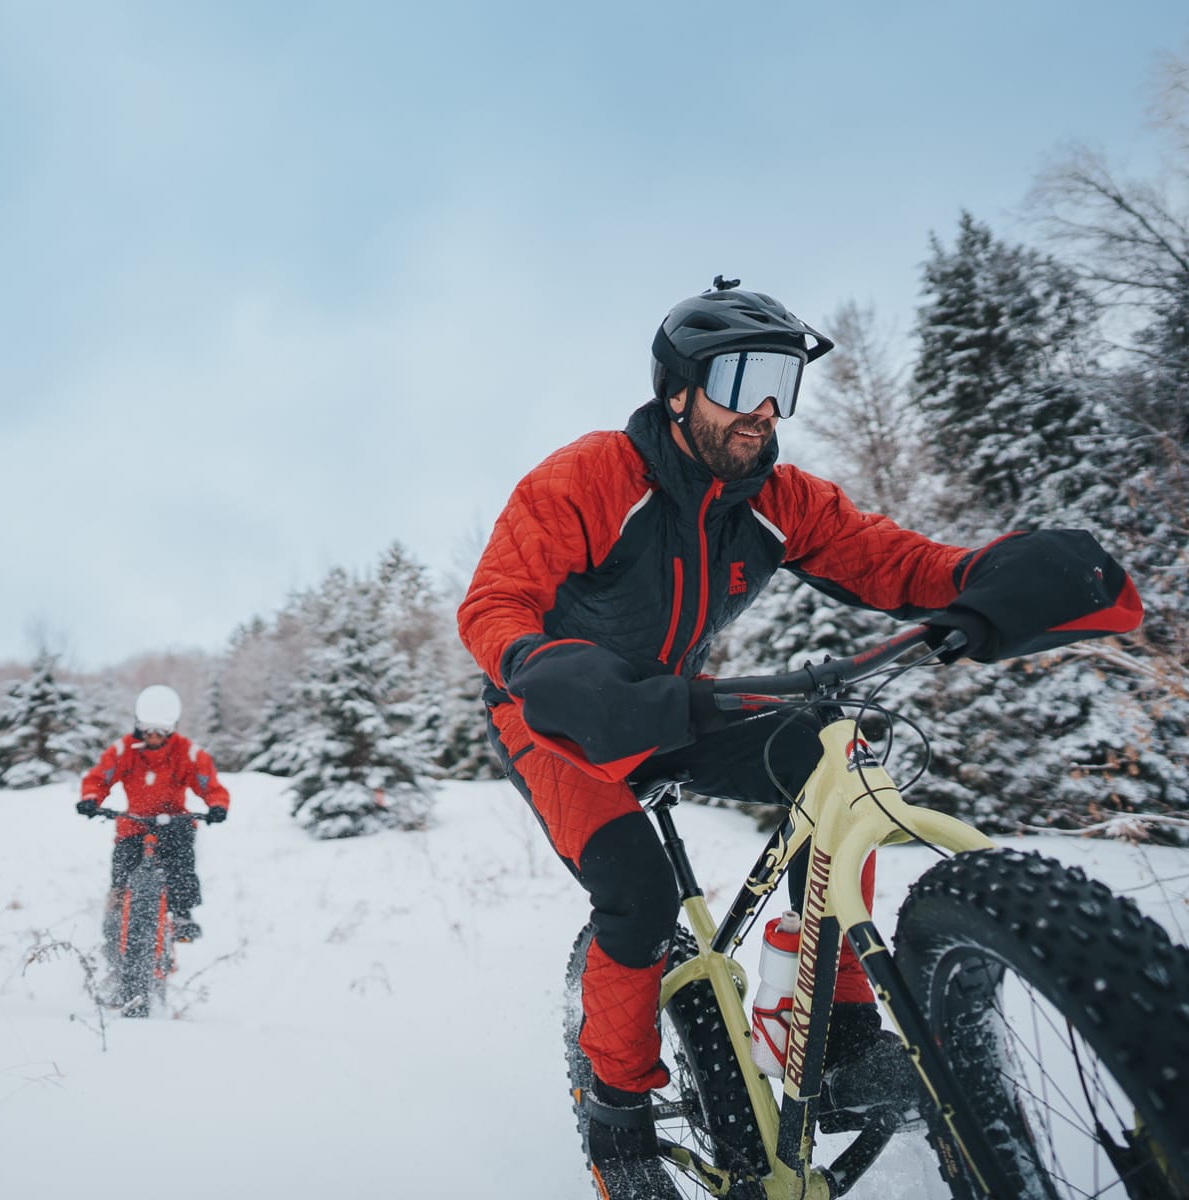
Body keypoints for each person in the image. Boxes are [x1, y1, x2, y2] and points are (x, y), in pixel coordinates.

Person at [457, 277, 1142, 1198]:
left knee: (836, 757)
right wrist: (543, 667)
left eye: (783, 379)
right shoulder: (589, 476)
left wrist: (993, 578)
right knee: (638, 903)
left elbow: (898, 563)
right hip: (560, 713)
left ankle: (850, 1034)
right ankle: (616, 1112)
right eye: (743, 379)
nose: (767, 407)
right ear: (678, 390)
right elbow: (496, 602)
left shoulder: (784, 498)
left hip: (679, 704)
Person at [78, 684, 230, 955]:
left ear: (171, 729)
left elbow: (209, 785)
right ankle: (115, 922)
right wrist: (91, 799)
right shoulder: (124, 750)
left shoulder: (187, 752)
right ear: (139, 726)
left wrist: (217, 805)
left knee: (181, 862)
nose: (154, 735)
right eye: (148, 729)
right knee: (121, 874)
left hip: (174, 822)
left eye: (161, 730)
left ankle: (182, 914)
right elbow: (99, 777)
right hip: (133, 823)